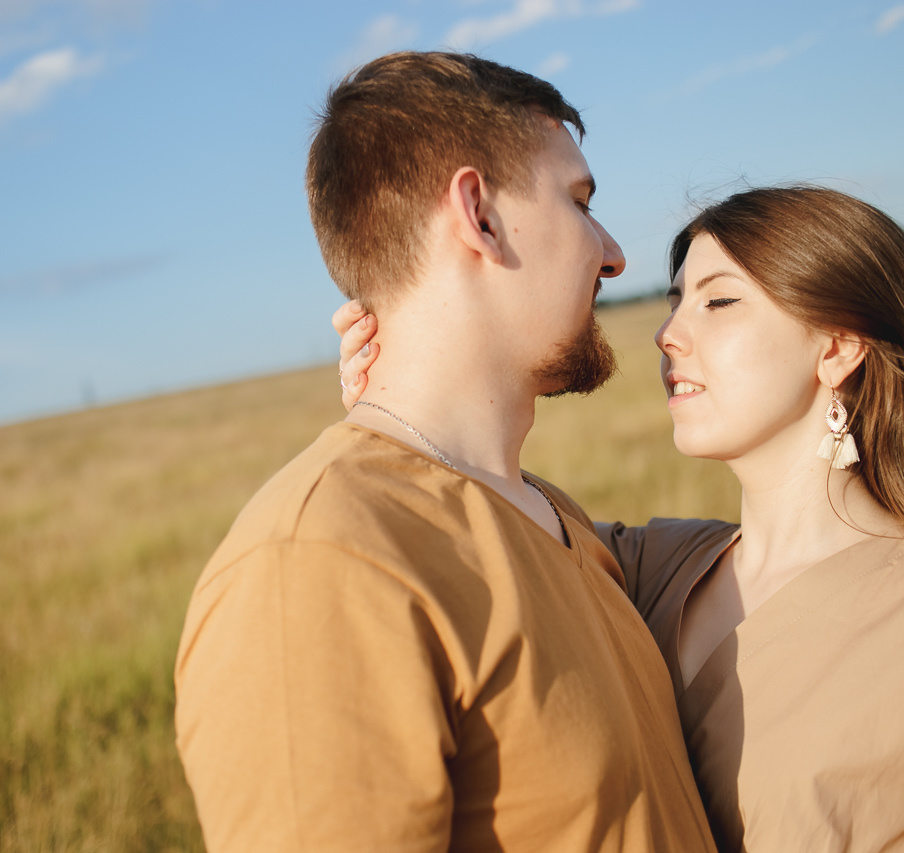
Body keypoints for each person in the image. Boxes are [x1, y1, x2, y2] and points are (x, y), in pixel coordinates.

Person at [336, 185, 904, 851]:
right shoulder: (646, 573)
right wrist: (401, 401)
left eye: (719, 302)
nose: (668, 333)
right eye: (676, 301)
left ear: (837, 347)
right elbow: (480, 505)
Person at [174, 51, 715, 852]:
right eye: (577, 200)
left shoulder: (546, 513)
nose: (612, 253)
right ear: (480, 215)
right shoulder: (319, 564)